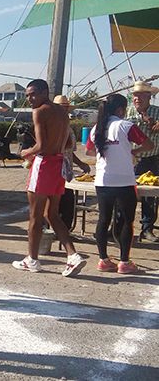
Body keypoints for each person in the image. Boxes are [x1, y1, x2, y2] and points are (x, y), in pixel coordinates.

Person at [14, 79, 86, 277]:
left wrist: (25, 152)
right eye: (27, 95)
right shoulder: (63, 112)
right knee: (51, 214)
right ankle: (73, 255)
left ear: (45, 92)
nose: (29, 99)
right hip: (59, 163)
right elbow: (69, 142)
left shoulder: (39, 111)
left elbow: (41, 146)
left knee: (35, 216)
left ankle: (32, 259)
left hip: (44, 164)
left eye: (32, 94)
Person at [85, 93, 153, 274]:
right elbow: (149, 145)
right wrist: (132, 152)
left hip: (102, 180)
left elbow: (89, 152)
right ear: (121, 109)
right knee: (126, 221)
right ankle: (124, 261)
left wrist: (106, 151)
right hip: (124, 181)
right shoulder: (126, 126)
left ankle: (103, 259)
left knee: (103, 219)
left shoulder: (96, 128)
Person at [53, 95, 91, 229]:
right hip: (55, 169)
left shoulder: (68, 126)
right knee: (56, 204)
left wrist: (81, 163)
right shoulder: (53, 125)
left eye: (65, 108)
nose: (64, 110)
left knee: (68, 202)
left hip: (67, 170)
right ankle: (56, 231)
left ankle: (65, 230)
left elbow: (70, 151)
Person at [128, 81, 159, 242]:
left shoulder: (157, 112)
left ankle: (147, 229)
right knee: (126, 194)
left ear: (149, 96)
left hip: (151, 159)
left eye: (140, 95)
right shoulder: (127, 112)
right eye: (135, 95)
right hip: (131, 160)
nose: (137, 98)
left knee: (150, 197)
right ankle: (123, 227)